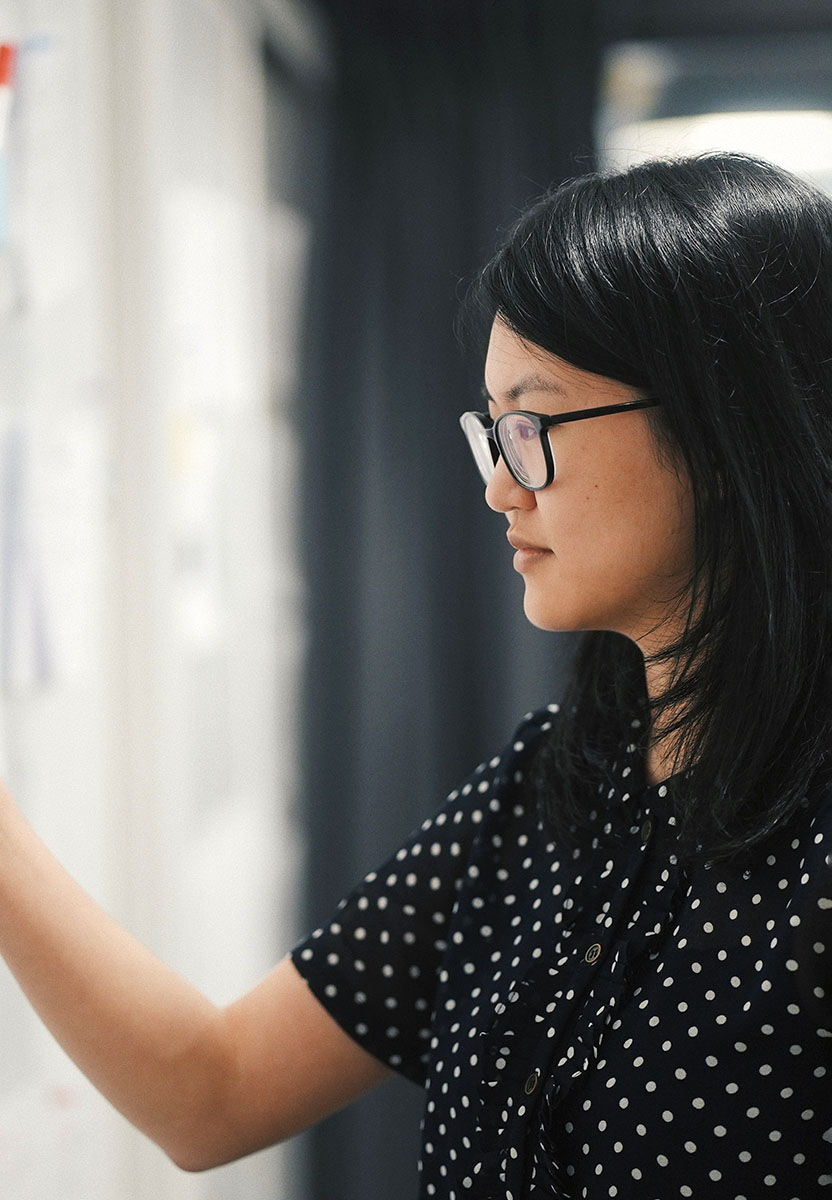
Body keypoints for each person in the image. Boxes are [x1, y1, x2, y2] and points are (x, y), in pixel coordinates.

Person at [0, 151, 830, 1199]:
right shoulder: (552, 788)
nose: (498, 490)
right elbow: (211, 1091)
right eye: (493, 432)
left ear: (722, 431)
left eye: (533, 428)